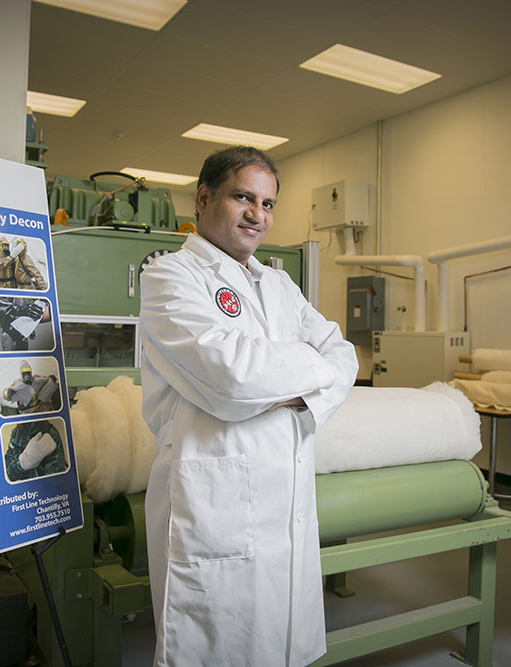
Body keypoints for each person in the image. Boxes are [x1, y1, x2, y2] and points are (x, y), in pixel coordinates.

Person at [140, 146, 358, 666]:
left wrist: (284, 372)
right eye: (243, 197)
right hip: (213, 502)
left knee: (282, 646)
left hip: (286, 500)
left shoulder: (278, 283)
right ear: (204, 197)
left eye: (267, 203)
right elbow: (232, 378)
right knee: (218, 647)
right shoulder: (170, 277)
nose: (257, 214)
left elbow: (343, 355)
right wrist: (308, 367)